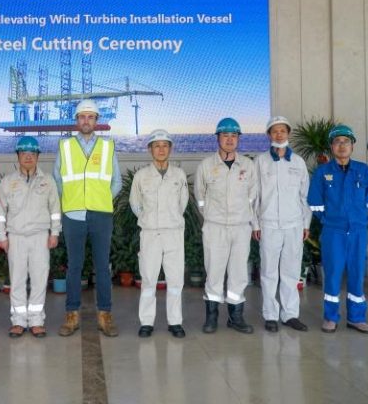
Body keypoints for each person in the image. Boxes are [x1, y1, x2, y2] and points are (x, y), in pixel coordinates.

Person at [53, 99, 122, 337]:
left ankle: (105, 316)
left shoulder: (107, 147)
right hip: (73, 215)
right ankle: (71, 315)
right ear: (76, 120)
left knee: (102, 267)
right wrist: (72, 201)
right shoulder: (65, 146)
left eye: (90, 117)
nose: (86, 121)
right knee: (74, 266)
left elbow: (116, 182)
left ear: (96, 120)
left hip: (101, 215)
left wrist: (102, 200)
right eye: (82, 116)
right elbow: (58, 180)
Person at [194, 117, 258, 335]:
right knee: (214, 271)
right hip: (215, 227)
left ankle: (236, 317)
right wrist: (212, 216)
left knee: (239, 273)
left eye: (234, 135)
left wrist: (244, 217)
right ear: (217, 138)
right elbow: (200, 198)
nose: (230, 139)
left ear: (238, 139)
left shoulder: (248, 166)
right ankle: (211, 317)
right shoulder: (206, 166)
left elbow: (253, 197)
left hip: (241, 227)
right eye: (225, 135)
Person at [308, 125, 368, 334]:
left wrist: (356, 220)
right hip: (333, 233)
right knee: (333, 274)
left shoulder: (363, 170)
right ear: (331, 147)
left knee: (357, 273)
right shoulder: (323, 172)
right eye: (337, 142)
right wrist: (331, 220)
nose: (342, 145)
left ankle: (356, 318)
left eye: (346, 141)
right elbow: (315, 203)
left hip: (358, 232)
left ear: (352, 146)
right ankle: (330, 317)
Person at [0, 136, 61, 338]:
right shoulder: (8, 182)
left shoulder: (47, 181)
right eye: (24, 153)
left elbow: (55, 210)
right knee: (17, 280)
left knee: (40, 280)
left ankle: (37, 321)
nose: (28, 157)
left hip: (40, 236)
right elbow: (0, 212)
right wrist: (2, 237)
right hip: (16, 237)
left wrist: (54, 233)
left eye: (32, 153)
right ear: (18, 156)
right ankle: (18, 321)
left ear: (38, 156)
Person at [254, 116, 312, 332]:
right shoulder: (260, 162)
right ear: (269, 135)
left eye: (282, 131)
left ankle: (290, 315)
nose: (279, 135)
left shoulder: (298, 162)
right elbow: (254, 197)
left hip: (294, 225)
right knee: (269, 272)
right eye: (274, 131)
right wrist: (255, 224)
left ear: (288, 133)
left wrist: (306, 224)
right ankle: (270, 315)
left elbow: (305, 196)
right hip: (268, 225)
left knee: (291, 272)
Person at [129, 129, 189, 338]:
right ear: (150, 150)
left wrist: (171, 218)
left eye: (165, 146)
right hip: (150, 234)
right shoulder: (141, 176)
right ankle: (146, 322)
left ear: (170, 149)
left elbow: (182, 203)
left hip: (173, 233)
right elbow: (135, 203)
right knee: (148, 278)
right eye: (157, 146)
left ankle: (175, 322)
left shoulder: (179, 175)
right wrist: (148, 219)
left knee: (175, 280)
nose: (161, 150)